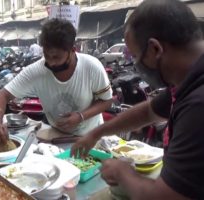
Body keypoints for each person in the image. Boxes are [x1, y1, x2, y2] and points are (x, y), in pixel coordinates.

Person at [71, 0, 204, 199]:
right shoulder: (188, 80)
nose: (135, 64)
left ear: (155, 49)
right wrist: (97, 133)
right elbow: (149, 110)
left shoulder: (198, 106)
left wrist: (122, 172)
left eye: (134, 56)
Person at [0, 18, 112, 143]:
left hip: (90, 138)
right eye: (47, 55)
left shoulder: (92, 67)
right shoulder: (36, 70)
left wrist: (80, 117)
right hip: (57, 137)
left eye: (56, 57)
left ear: (72, 50)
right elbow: (1, 96)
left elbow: (107, 101)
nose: (51, 62)